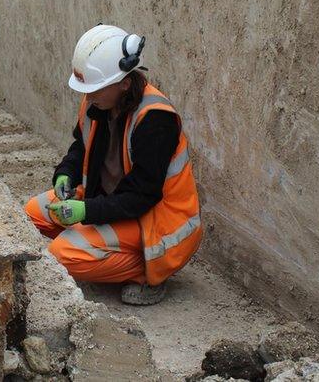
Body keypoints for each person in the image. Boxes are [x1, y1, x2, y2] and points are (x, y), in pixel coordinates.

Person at [23, 24, 202, 305]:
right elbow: (81, 147)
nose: (87, 95)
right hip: (110, 200)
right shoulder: (98, 102)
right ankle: (108, 249)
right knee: (31, 214)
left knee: (62, 254)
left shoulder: (156, 120)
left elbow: (142, 196)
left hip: (152, 219)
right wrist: (65, 174)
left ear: (125, 84)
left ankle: (148, 272)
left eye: (94, 88)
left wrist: (87, 211)